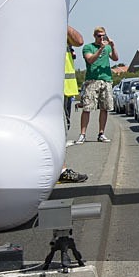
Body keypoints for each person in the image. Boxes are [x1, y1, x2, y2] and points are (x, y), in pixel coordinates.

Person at [75, 27, 118, 144]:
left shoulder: (108, 47)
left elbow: (115, 58)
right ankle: (82, 134)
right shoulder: (88, 47)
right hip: (92, 81)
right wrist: (100, 49)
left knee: (104, 108)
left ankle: (101, 133)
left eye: (103, 35)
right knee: (87, 107)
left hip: (106, 80)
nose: (101, 38)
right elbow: (90, 60)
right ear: (94, 36)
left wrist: (113, 46)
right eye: (99, 36)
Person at [59, 26, 88, 183]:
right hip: (50, 88)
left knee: (63, 128)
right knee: (58, 129)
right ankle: (60, 170)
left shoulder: (59, 27)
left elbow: (79, 40)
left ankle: (60, 169)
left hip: (65, 88)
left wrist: (63, 22)